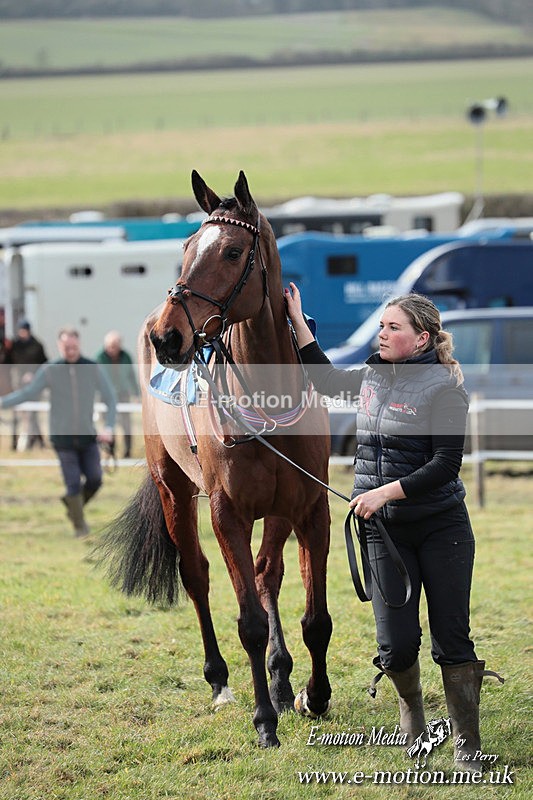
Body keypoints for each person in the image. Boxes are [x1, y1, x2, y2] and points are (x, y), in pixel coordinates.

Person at [284, 282, 502, 771]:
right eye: (381, 326)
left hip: (441, 528)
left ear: (421, 339)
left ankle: (467, 746)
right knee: (396, 644)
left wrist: (384, 492)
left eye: (392, 327)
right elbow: (324, 379)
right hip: (384, 533)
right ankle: (414, 725)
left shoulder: (446, 387)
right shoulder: (370, 377)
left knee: (452, 638)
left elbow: (446, 464)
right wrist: (298, 320)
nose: (381, 334)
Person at [0, 326, 116, 537]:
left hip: (88, 436)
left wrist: (108, 427)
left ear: (78, 345)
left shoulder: (92, 367)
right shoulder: (50, 370)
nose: (70, 350)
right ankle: (80, 527)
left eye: (73, 346)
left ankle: (73, 506)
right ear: (59, 346)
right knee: (72, 483)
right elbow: (29, 392)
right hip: (61, 438)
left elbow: (110, 397)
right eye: (66, 346)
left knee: (95, 479)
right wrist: (3, 403)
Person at [95, 330, 138, 459]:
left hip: (123, 394)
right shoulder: (99, 358)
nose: (112, 349)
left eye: (115, 345)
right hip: (105, 396)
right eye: (110, 345)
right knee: (108, 424)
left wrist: (135, 393)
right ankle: (110, 450)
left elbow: (131, 376)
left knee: (126, 424)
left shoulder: (126, 357)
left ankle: (127, 451)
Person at [8, 319, 48, 450]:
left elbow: (44, 364)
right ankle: (14, 442)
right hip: (18, 384)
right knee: (17, 414)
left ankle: (36, 441)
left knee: (32, 415)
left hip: (33, 385)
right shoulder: (15, 345)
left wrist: (33, 374)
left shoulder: (37, 345)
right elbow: (8, 362)